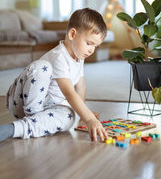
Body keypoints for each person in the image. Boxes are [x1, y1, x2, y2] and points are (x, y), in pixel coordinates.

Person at [0, 8, 108, 143]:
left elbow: (81, 85)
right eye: (89, 43)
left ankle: (15, 128)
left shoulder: (79, 57)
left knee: (71, 116)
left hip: (44, 109)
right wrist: (90, 119)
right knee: (42, 67)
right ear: (72, 34)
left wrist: (83, 114)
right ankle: (33, 119)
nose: (91, 50)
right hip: (20, 101)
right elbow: (69, 92)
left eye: (95, 46)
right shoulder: (59, 56)